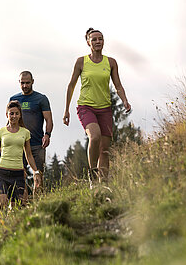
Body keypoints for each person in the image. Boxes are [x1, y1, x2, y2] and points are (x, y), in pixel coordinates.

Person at [63, 28, 131, 186]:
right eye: (94, 39)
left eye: (100, 38)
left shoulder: (111, 62)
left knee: (105, 150)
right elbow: (71, 85)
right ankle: (92, 174)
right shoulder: (81, 61)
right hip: (86, 107)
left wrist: (125, 100)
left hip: (105, 108)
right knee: (95, 136)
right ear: (88, 43)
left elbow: (118, 85)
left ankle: (103, 184)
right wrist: (66, 110)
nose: (98, 41)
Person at [0, 100, 42, 215]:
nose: (14, 116)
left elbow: (29, 155)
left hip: (18, 175)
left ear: (20, 115)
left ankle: (10, 231)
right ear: (7, 115)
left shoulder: (25, 133)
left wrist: (35, 171)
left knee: (16, 208)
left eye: (16, 113)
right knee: (2, 203)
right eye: (11, 113)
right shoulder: (1, 132)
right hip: (2, 173)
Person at [10, 71, 53, 194]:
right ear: (19, 83)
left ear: (33, 82)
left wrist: (47, 135)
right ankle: (22, 205)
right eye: (22, 83)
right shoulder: (14, 99)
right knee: (19, 177)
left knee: (38, 175)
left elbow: (49, 120)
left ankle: (38, 204)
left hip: (36, 144)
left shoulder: (41, 99)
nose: (25, 86)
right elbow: (10, 121)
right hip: (19, 145)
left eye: (27, 83)